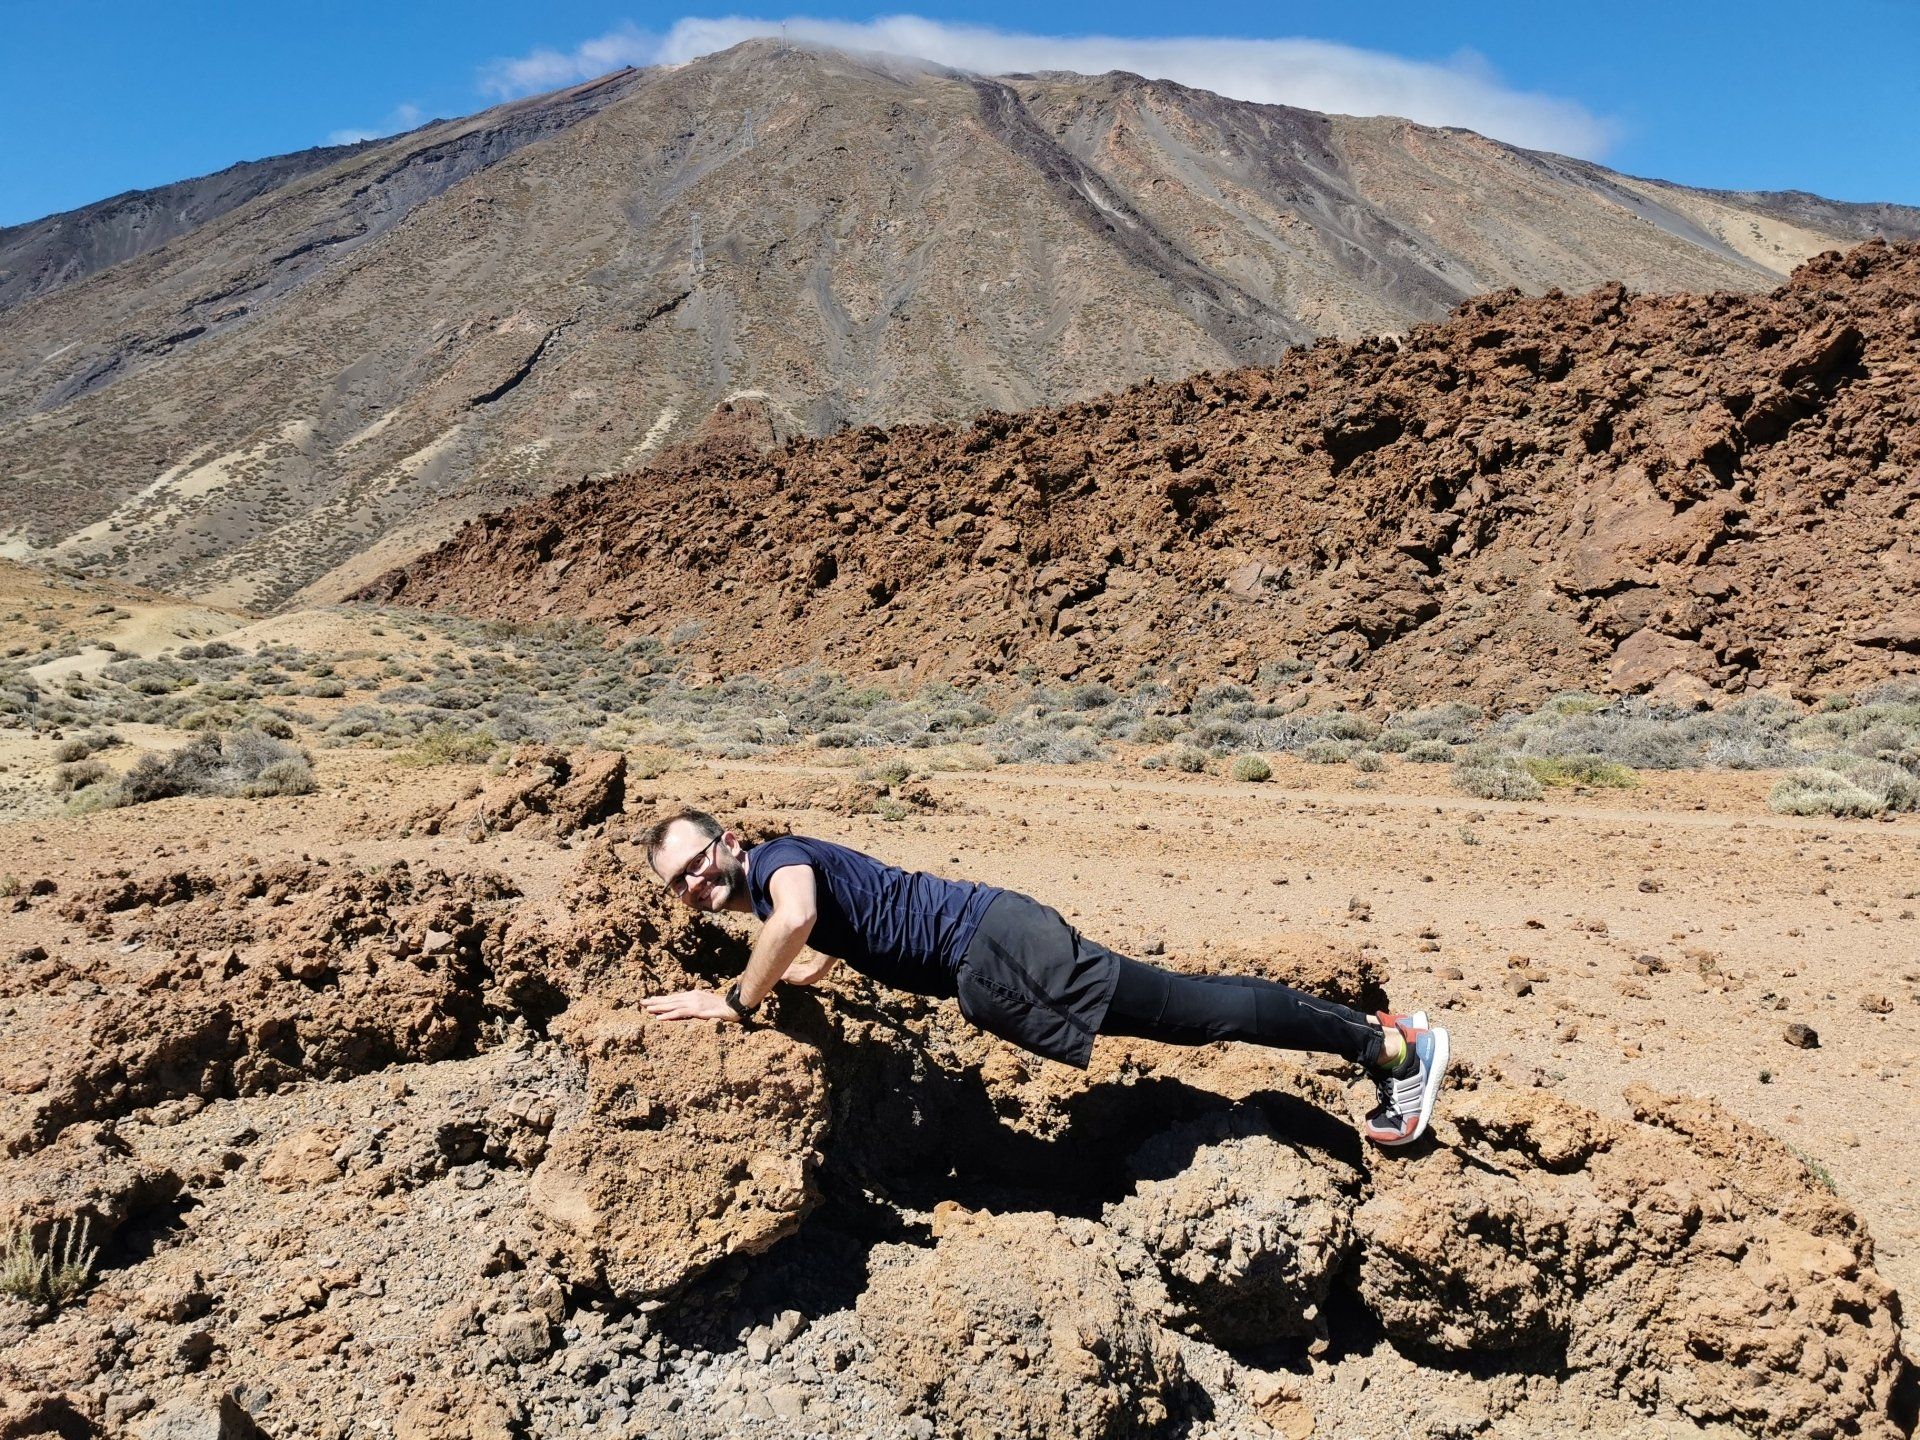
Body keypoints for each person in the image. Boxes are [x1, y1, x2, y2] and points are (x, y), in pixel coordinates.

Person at [637, 810, 1449, 1146]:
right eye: (676, 885)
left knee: (1195, 1010)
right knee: (1188, 1005)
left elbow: (798, 915)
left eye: (697, 865)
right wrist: (810, 971)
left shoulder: (777, 865)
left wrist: (738, 1002)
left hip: (1000, 953)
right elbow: (837, 918)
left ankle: (1393, 1055)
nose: (692, 888)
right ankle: (1382, 1038)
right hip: (997, 940)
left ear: (730, 839)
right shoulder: (779, 866)